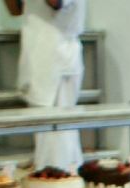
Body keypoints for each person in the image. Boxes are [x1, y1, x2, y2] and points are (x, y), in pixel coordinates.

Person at [6, 0, 85, 170]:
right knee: (44, 135)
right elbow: (15, 10)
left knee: (57, 135)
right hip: (36, 61)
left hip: (58, 63)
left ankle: (61, 185)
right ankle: (53, 183)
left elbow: (55, 2)